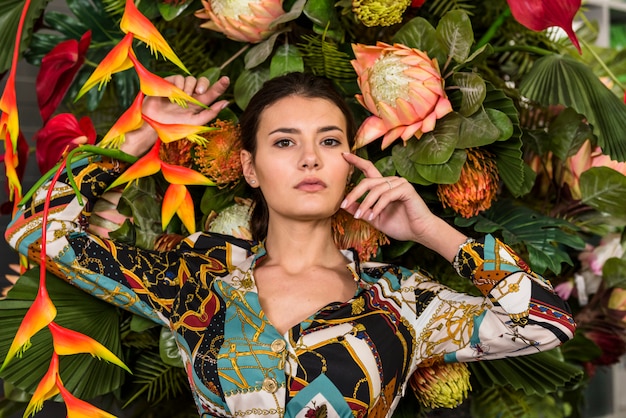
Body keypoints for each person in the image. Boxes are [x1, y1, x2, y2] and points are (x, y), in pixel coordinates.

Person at [5, 72, 575, 417]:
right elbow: (36, 231)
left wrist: (431, 231)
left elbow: (549, 323)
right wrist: (137, 136)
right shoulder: (196, 282)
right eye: (285, 142)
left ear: (350, 160)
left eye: (329, 140)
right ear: (250, 168)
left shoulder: (401, 303)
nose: (310, 158)